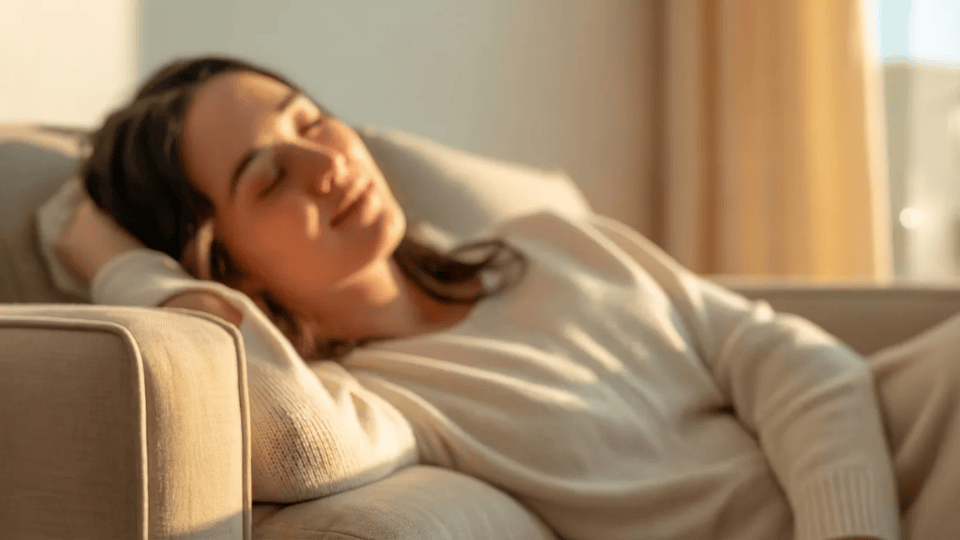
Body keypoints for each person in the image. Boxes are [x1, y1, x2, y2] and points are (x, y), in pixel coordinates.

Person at [56, 56, 960, 540]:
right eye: (270, 176)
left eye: (308, 118)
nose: (329, 163)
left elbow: (800, 363)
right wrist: (129, 269)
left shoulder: (553, 246)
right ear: (232, 269)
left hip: (913, 441)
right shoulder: (388, 404)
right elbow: (294, 444)